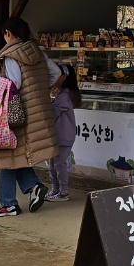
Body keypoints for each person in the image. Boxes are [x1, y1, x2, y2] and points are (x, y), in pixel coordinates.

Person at [0, 16, 59, 217]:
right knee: (15, 156)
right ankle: (33, 187)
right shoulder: (37, 52)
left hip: (15, 114)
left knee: (5, 156)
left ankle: (8, 204)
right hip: (36, 112)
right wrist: (37, 91)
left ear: (8, 34)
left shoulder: (12, 55)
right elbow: (56, 74)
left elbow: (12, 84)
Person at [47, 64, 81, 202]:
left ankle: (63, 191)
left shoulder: (64, 96)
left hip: (63, 136)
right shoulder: (62, 93)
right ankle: (56, 189)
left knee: (59, 164)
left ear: (64, 77)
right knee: (53, 164)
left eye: (56, 75)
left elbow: (52, 114)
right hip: (59, 135)